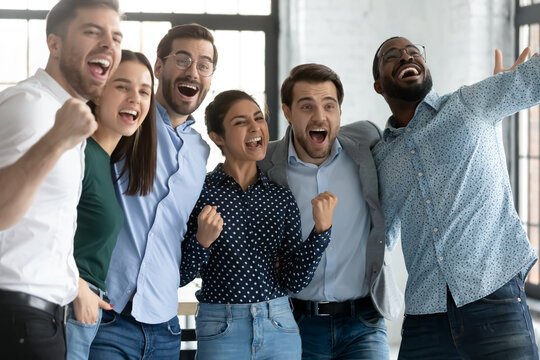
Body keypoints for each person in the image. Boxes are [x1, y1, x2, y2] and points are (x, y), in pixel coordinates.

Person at [371, 36, 540, 359]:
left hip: (495, 299)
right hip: (424, 319)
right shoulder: (382, 158)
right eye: (392, 56)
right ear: (378, 84)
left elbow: (533, 79)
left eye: (413, 51)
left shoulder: (469, 104)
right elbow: (378, 240)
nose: (406, 56)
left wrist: (506, 84)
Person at [0, 0, 122, 358]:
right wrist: (55, 140)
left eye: (115, 37)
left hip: (42, 318)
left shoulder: (63, 112)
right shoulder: (30, 105)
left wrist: (74, 282)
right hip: (18, 318)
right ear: (54, 44)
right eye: (92, 32)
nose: (108, 46)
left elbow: (46, 225)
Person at [258, 63, 403, 360]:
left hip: (363, 321)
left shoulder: (366, 141)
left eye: (329, 105)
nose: (319, 116)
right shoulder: (265, 164)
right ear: (287, 112)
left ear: (339, 111)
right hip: (295, 321)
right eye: (306, 106)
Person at [89, 23, 217, 359]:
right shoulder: (127, 122)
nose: (193, 71)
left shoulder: (199, 152)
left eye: (204, 65)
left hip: (164, 326)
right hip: (106, 315)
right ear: (158, 67)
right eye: (183, 60)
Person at [180, 90, 337, 359]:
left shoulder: (280, 197)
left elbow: (293, 281)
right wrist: (201, 242)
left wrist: (321, 232)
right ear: (218, 137)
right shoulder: (199, 193)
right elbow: (181, 275)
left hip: (278, 324)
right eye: (241, 122)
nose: (255, 127)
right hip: (220, 326)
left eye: (258, 118)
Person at [66, 49, 157, 360]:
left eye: (144, 91)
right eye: (122, 86)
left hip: (83, 315)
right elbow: (27, 228)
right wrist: (77, 284)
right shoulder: (79, 153)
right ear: (98, 91)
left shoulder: (103, 161)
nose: (135, 98)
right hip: (66, 308)